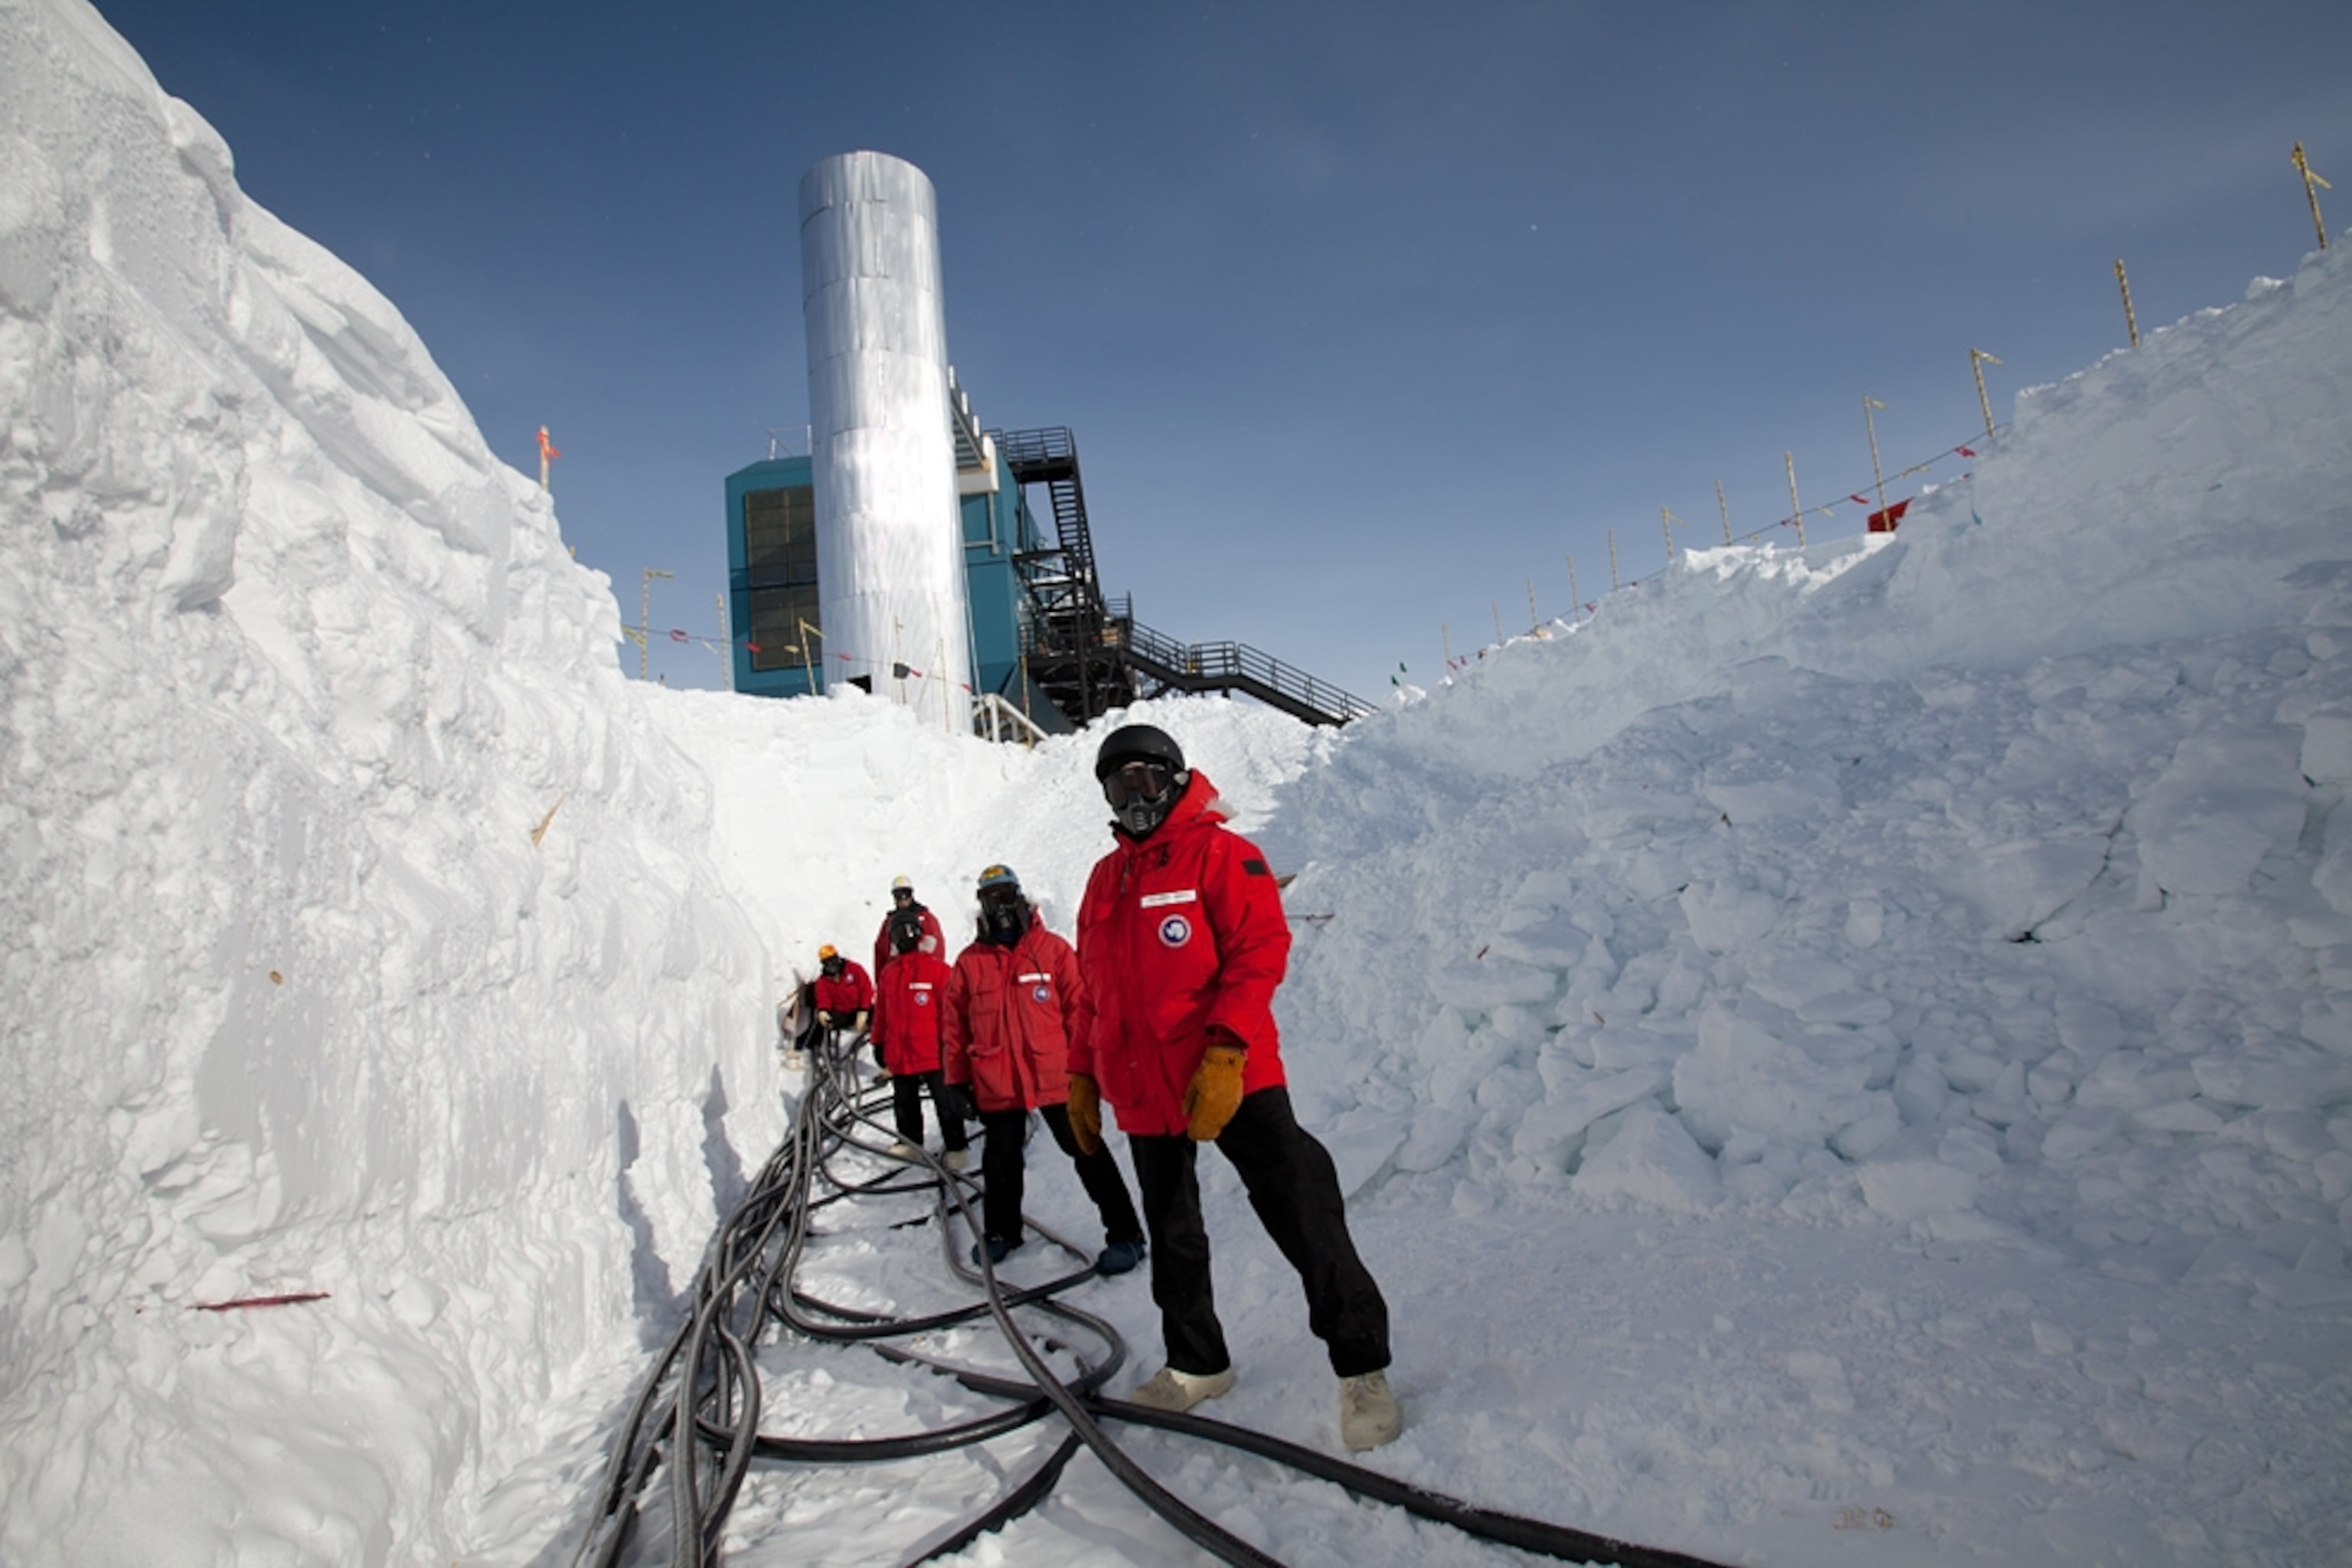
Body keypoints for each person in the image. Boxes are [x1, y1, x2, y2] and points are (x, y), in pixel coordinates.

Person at [1068, 724, 1402, 1452]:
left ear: (1177, 780)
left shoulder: (1222, 854)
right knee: (1173, 1232)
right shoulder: (1104, 879)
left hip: (1232, 1076)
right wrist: (1081, 1072)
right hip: (1143, 1091)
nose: (1135, 799)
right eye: (1119, 787)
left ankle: (1362, 1368)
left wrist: (1225, 1053)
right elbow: (1092, 992)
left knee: (1303, 1211)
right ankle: (1197, 1362)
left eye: (1147, 782)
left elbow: (1260, 952)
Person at [942, 864, 1146, 1276]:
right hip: (997, 1080)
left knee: (1088, 1151)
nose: (1001, 906)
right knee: (1000, 1162)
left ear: (1022, 897)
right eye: (991, 898)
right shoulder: (969, 964)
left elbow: (1082, 1011)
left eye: (1007, 896)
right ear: (981, 906)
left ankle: (1126, 1234)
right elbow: (953, 1025)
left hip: (1057, 1077)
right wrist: (957, 1081)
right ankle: (1002, 1232)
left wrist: (1091, 1069)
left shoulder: (1053, 951)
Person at [871, 916, 969, 1171]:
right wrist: (878, 1042)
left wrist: (952, 1044)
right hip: (901, 1052)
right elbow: (882, 1012)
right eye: (898, 933)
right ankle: (910, 1142)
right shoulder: (889, 974)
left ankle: (956, 1146)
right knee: (904, 1101)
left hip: (934, 1052)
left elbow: (952, 1012)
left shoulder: (938, 970)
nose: (904, 937)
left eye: (908, 931)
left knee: (945, 1102)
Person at [808, 944, 874, 1061]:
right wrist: (823, 1010)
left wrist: (863, 1010)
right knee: (824, 1022)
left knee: (881, 1017)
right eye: (828, 963)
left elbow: (866, 989)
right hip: (842, 1013)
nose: (832, 966)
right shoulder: (823, 981)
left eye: (833, 961)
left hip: (860, 1010)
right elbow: (823, 997)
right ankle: (820, 1051)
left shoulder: (854, 970)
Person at [873, 875, 945, 977]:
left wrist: (934, 975)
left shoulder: (926, 918)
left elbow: (937, 949)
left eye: (906, 894)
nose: (903, 899)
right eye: (898, 895)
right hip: (896, 977)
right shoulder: (889, 923)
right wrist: (882, 979)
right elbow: (881, 952)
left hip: (923, 977)